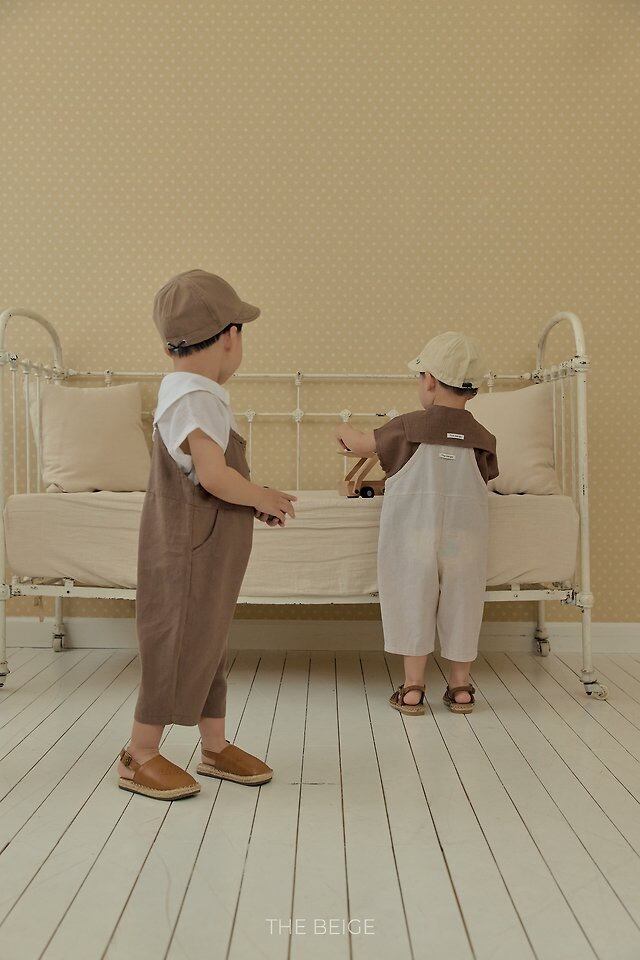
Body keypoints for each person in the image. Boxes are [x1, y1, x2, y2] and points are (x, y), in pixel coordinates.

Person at [118, 269, 296, 799]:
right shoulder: (195, 397)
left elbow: (205, 476)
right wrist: (260, 494)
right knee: (175, 641)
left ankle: (214, 746)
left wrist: (251, 500)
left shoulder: (194, 393)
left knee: (207, 641)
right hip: (189, 549)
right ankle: (139, 753)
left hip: (209, 546)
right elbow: (215, 476)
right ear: (229, 337)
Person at [336, 332, 498, 716]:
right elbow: (487, 475)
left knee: (412, 595)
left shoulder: (407, 427)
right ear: (472, 390)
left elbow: (360, 445)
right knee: (462, 598)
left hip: (415, 535)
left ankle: (412, 688)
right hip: (461, 538)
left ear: (429, 381)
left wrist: (342, 430)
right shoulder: (483, 438)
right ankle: (460, 687)